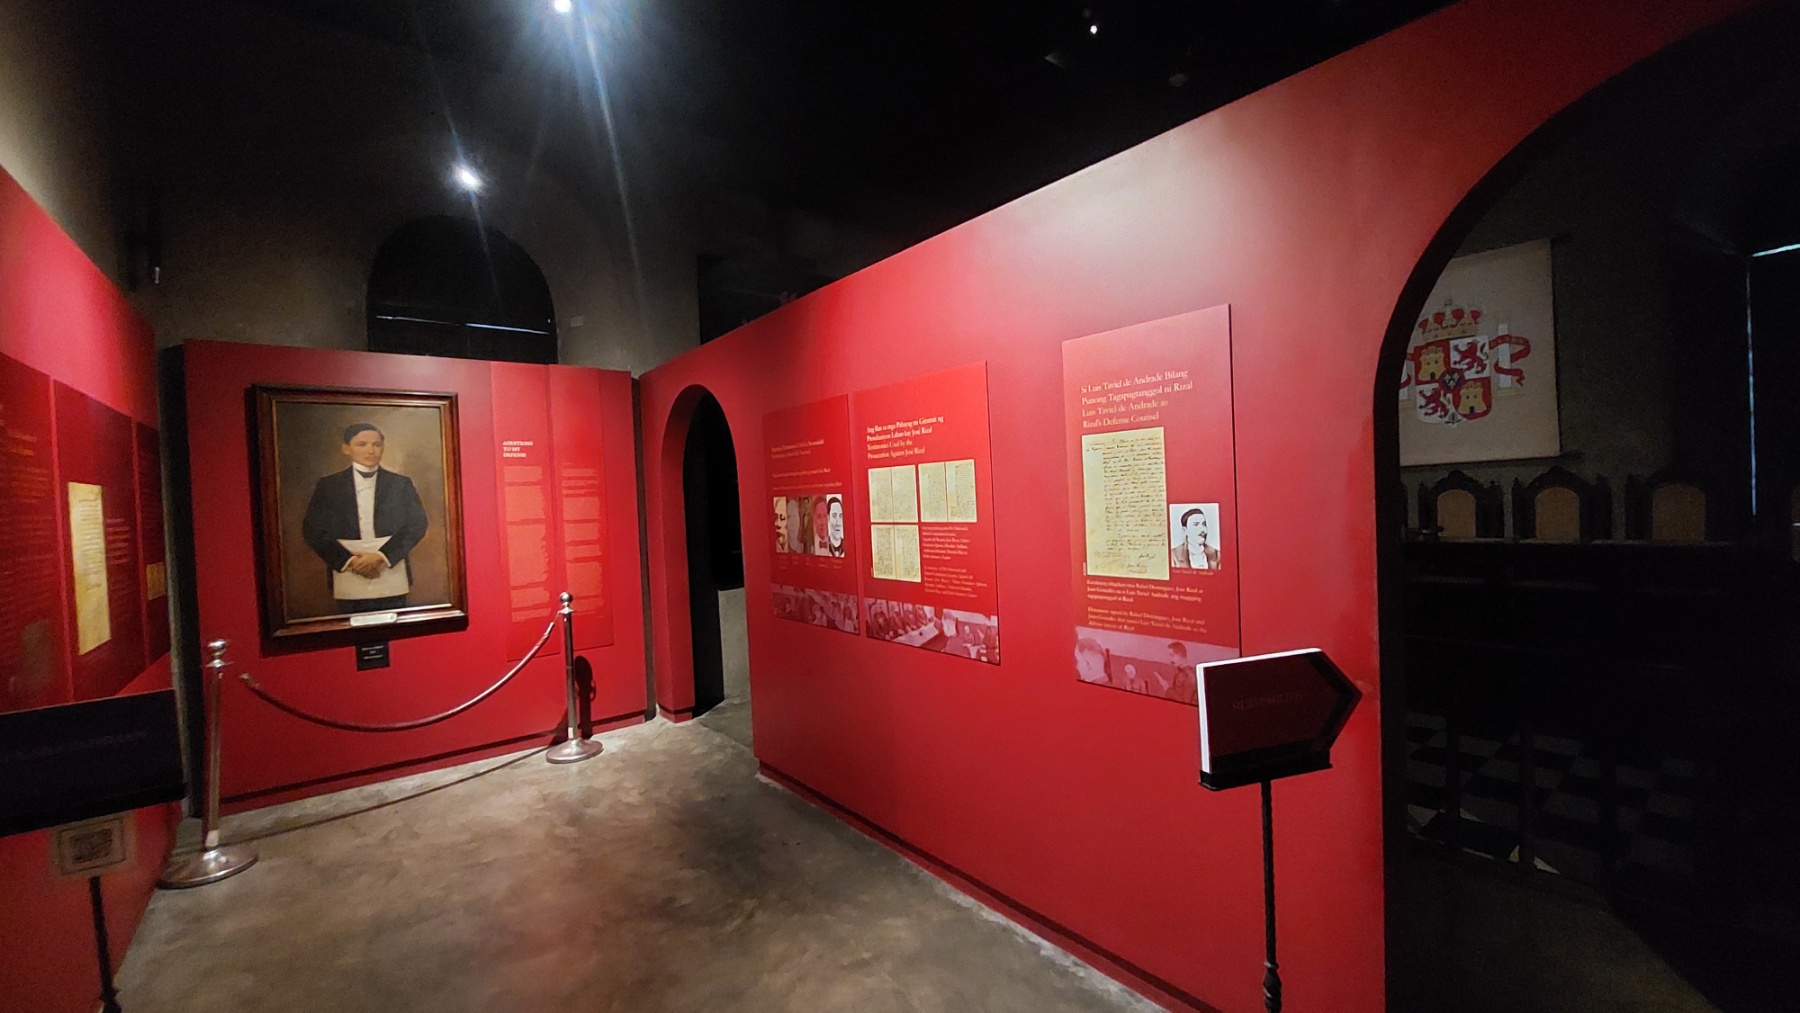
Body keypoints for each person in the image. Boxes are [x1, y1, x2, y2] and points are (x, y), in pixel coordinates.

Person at [301, 423, 429, 613]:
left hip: (390, 569)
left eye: (376, 445)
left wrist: (380, 557)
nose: (371, 451)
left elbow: (416, 525)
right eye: (362, 444)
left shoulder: (400, 484)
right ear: (346, 448)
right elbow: (313, 530)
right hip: (348, 571)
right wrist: (351, 561)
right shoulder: (329, 486)